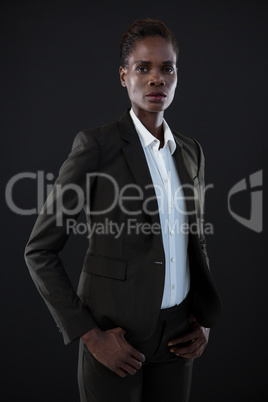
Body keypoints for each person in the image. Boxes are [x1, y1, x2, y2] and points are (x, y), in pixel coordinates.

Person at [25, 18, 222, 402]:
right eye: (143, 68)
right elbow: (39, 250)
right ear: (123, 75)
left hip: (179, 336)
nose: (156, 79)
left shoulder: (191, 151)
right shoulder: (97, 146)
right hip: (116, 341)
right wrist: (91, 336)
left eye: (167, 68)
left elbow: (193, 240)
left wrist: (204, 318)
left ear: (177, 75)